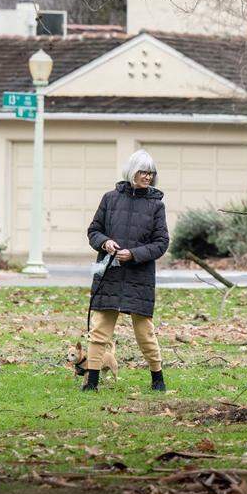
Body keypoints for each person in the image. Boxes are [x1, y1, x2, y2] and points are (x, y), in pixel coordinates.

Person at [82, 149, 170, 392]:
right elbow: (93, 231)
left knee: (145, 333)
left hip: (139, 277)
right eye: (143, 172)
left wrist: (133, 254)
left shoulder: (156, 205)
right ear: (132, 172)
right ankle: (91, 382)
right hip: (109, 273)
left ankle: (157, 379)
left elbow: (161, 243)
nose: (148, 177)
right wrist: (105, 242)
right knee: (99, 330)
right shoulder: (110, 199)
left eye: (151, 173)